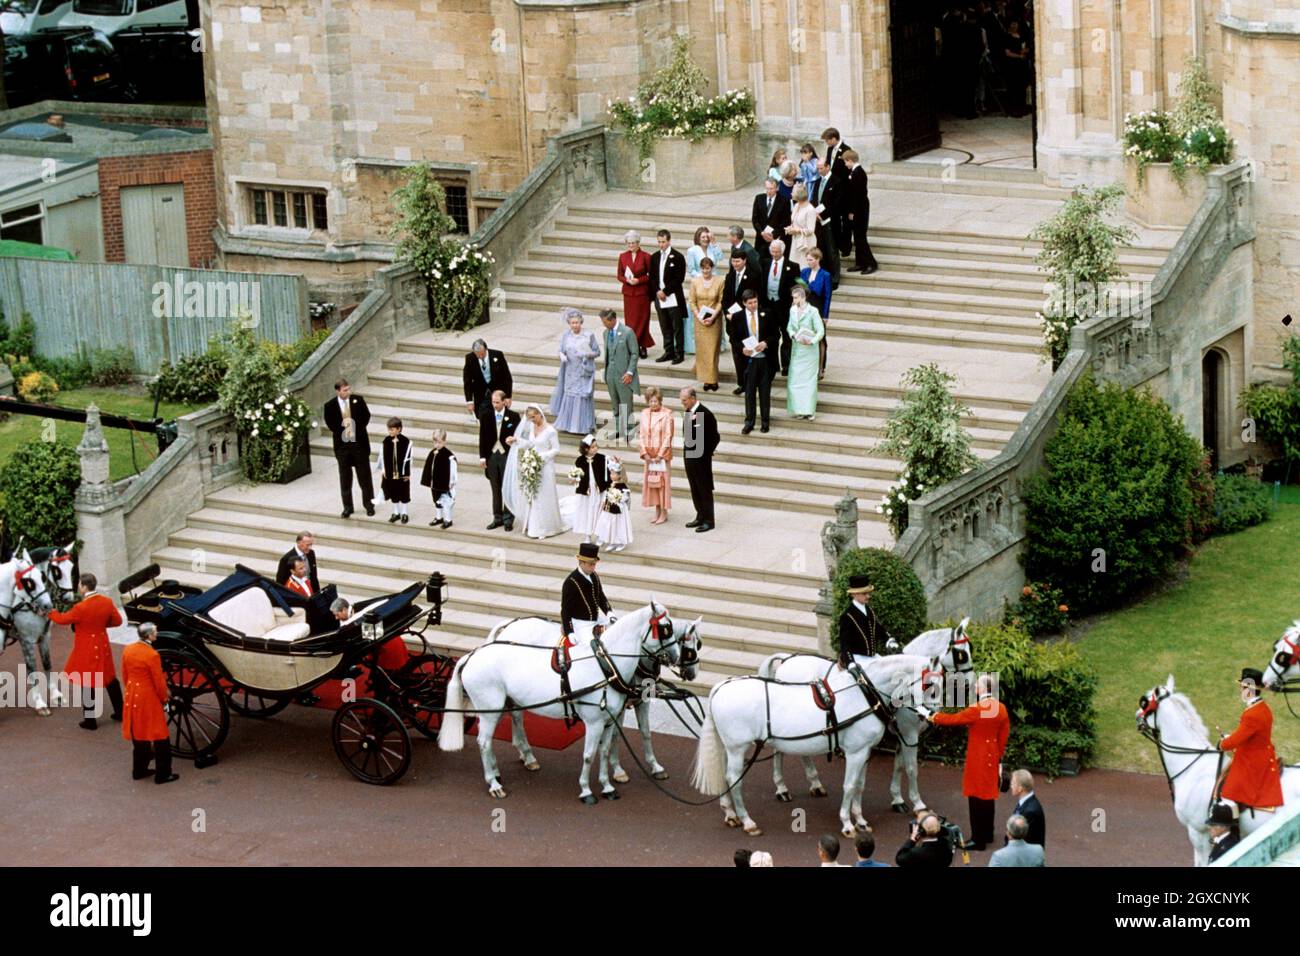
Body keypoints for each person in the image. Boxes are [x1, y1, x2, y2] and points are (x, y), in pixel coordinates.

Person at [928, 673, 1011, 851]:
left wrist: (933, 716)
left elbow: (953, 719)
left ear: (983, 689)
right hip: (992, 757)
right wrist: (998, 756)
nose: (975, 688)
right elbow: (1003, 736)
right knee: (988, 797)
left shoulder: (977, 709)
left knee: (975, 799)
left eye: (977, 685)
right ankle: (988, 833)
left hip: (977, 758)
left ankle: (978, 839)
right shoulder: (1001, 708)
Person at [48, 572, 122, 730]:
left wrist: (50, 612)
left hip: (86, 647)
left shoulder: (81, 607)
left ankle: (90, 721)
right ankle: (120, 711)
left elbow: (62, 619)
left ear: (84, 586)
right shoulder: (107, 602)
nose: (78, 587)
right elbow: (117, 621)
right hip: (102, 644)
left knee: (87, 682)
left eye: (79, 585)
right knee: (110, 678)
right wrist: (100, 625)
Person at [1217, 667, 1285, 822]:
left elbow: (1236, 740)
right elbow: (1246, 735)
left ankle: (1230, 827)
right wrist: (1231, 738)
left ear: (1248, 689)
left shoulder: (1252, 714)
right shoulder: (1263, 708)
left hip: (1253, 759)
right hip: (1261, 752)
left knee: (1229, 791)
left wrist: (1222, 744)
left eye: (1243, 687)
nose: (1241, 690)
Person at [120, 622, 177, 784]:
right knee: (161, 737)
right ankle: (163, 774)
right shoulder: (152, 655)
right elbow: (159, 682)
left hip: (133, 695)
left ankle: (139, 770)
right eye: (155, 632)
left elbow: (125, 675)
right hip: (148, 697)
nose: (156, 634)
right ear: (150, 635)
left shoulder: (128, 649)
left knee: (138, 734)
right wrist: (164, 699)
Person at [502, 403, 567, 539]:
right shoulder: (532, 427)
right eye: (529, 418)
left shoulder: (550, 431)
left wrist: (540, 457)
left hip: (545, 466)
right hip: (532, 464)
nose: (531, 420)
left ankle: (546, 527)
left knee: (544, 494)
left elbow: (556, 449)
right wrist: (517, 440)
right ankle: (533, 525)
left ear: (539, 414)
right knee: (533, 494)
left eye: (533, 417)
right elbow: (531, 443)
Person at [322, 378, 375, 518]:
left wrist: (355, 428)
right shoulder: (330, 406)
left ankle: (369, 504)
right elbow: (331, 423)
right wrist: (344, 429)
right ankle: (347, 507)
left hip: (359, 445)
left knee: (364, 477)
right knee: (345, 479)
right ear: (338, 391)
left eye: (348, 389)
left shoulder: (358, 400)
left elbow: (366, 416)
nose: (348, 392)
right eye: (345, 390)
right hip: (343, 447)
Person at [549, 307, 601, 435]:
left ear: (581, 322)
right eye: (572, 323)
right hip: (570, 370)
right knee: (570, 393)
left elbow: (597, 352)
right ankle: (567, 423)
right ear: (569, 323)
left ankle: (582, 425)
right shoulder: (566, 335)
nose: (575, 325)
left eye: (577, 322)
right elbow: (561, 349)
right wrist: (562, 355)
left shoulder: (589, 335)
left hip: (583, 370)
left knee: (582, 395)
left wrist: (587, 354)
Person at [732, 289, 776, 435]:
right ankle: (749, 422)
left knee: (764, 392)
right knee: (749, 392)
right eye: (750, 303)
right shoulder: (738, 317)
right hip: (749, 361)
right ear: (744, 303)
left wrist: (765, 343)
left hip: (764, 359)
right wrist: (742, 349)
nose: (753, 305)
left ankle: (765, 422)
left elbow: (776, 334)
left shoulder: (767, 314)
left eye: (755, 302)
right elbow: (734, 339)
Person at [479, 389, 521, 531]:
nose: (495, 405)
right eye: (493, 402)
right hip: (492, 456)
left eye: (497, 402)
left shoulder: (513, 417)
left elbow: (518, 436)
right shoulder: (486, 416)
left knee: (507, 487)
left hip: (506, 455)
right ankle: (497, 517)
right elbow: (482, 437)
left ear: (504, 402)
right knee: (495, 488)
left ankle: (508, 518)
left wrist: (513, 442)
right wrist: (483, 457)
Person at [680, 386, 719, 533]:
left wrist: (706, 453)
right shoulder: (689, 412)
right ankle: (700, 515)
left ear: (692, 398)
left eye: (684, 400)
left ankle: (709, 520)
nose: (682, 403)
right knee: (694, 488)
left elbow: (715, 437)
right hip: (690, 456)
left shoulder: (705, 413)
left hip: (701, 459)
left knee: (704, 489)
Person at [600, 308, 640, 446]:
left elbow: (635, 353)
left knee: (626, 403)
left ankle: (629, 429)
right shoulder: (605, 333)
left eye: (605, 322)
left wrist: (630, 372)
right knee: (615, 403)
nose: (603, 324)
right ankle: (619, 428)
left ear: (612, 320)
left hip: (624, 374)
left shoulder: (627, 332)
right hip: (610, 373)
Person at [722, 249, 760, 394]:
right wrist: (726, 313)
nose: (735, 264)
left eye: (738, 261)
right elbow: (725, 298)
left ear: (744, 260)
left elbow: (755, 298)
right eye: (733, 261)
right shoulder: (730, 276)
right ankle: (741, 383)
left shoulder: (753, 276)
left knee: (751, 352)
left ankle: (753, 382)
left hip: (746, 319)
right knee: (737, 353)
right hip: (733, 321)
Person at [761, 239, 801, 375]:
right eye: (772, 251)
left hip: (784, 306)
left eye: (777, 251)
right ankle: (773, 364)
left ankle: (786, 365)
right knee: (771, 335)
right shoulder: (765, 263)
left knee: (786, 335)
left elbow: (797, 286)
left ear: (782, 251)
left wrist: (794, 302)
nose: (775, 254)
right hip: (769, 305)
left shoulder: (793, 266)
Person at [561, 542, 613, 644]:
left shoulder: (594, 575)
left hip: (596, 619)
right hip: (581, 624)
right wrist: (569, 631)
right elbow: (565, 610)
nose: (593, 568)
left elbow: (600, 596)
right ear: (582, 562)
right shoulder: (571, 582)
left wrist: (608, 611)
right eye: (591, 564)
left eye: (594, 564)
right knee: (591, 647)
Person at [786, 284, 825, 420]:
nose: (794, 300)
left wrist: (812, 341)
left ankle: (809, 410)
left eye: (796, 297)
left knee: (808, 381)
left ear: (803, 297)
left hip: (809, 351)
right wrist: (793, 335)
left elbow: (820, 331)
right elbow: (790, 326)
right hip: (797, 349)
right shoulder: (792, 310)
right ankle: (798, 409)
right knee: (795, 380)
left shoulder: (813, 311)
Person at [648, 229, 687, 365]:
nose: (661, 245)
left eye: (663, 242)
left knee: (677, 326)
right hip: (659, 296)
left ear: (669, 241)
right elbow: (652, 277)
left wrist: (666, 291)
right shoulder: (654, 257)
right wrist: (658, 291)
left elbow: (679, 278)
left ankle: (679, 352)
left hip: (673, 297)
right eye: (659, 242)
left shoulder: (677, 257)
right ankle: (668, 351)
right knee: (665, 326)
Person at [684, 226, 724, 358]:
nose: (705, 239)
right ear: (698, 238)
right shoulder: (692, 250)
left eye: (707, 237)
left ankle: (718, 343)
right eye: (703, 237)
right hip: (699, 282)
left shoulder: (713, 247)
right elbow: (691, 269)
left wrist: (715, 243)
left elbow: (721, 258)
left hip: (714, 282)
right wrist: (702, 277)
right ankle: (694, 345)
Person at [688, 255, 725, 391]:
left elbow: (722, 300)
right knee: (703, 351)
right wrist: (698, 316)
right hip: (700, 320)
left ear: (712, 268)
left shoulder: (720, 281)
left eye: (708, 269)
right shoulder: (695, 282)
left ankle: (713, 379)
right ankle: (705, 379)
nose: (705, 272)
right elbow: (692, 301)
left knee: (713, 350)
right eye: (703, 269)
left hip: (714, 319)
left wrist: (714, 315)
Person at [638, 385, 674, 526]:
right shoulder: (644, 413)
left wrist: (660, 454)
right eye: (650, 401)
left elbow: (668, 435)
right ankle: (657, 511)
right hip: (649, 455)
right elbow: (641, 434)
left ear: (660, 401)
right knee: (652, 483)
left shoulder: (667, 414)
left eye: (655, 401)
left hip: (661, 456)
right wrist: (644, 452)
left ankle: (664, 512)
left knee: (662, 483)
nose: (653, 404)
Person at [836, 576, 891, 667]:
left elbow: (877, 628)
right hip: (858, 659)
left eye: (868, 593)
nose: (868, 596)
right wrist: (850, 663)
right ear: (855, 594)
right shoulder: (847, 616)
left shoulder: (868, 610)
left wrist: (889, 639)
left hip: (872, 657)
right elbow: (844, 643)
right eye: (865, 594)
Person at [617, 230, 654, 358]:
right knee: (631, 321)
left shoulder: (646, 256)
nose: (631, 245)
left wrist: (639, 280)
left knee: (643, 319)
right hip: (628, 293)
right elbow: (619, 275)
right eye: (629, 243)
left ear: (638, 243)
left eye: (633, 243)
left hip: (642, 293)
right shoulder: (623, 256)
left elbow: (650, 275)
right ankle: (634, 346)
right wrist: (626, 280)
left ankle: (643, 345)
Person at [842, 150, 878, 275]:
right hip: (858, 209)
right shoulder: (854, 172)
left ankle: (870, 263)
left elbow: (857, 195)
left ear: (850, 160)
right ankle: (860, 263)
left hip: (859, 211)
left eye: (846, 162)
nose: (845, 164)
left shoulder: (858, 173)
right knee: (857, 238)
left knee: (860, 238)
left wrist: (852, 211)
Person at [809, 159, 842, 290]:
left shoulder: (836, 181)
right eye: (818, 168)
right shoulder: (818, 181)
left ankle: (835, 278)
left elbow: (837, 203)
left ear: (828, 167)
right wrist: (814, 212)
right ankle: (824, 275)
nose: (819, 171)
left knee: (832, 249)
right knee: (821, 248)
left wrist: (822, 215)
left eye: (821, 168)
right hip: (818, 221)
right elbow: (815, 200)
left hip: (830, 220)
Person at [571, 435, 609, 543]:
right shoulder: (580, 461)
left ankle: (599, 535)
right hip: (587, 492)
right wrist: (574, 478)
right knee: (587, 513)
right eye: (593, 447)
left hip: (598, 491)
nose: (595, 448)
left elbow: (607, 475)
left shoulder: (602, 459)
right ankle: (587, 534)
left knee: (599, 513)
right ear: (586, 449)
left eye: (596, 446)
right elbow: (577, 474)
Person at [801, 249, 834, 376]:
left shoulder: (825, 275)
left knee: (820, 338)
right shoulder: (804, 272)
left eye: (811, 260)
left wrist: (825, 315)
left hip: (818, 307)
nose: (809, 262)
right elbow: (800, 289)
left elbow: (827, 296)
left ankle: (820, 367)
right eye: (808, 260)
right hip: (806, 307)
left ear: (818, 259)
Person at [462, 339, 513, 418]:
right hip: (481, 395)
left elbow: (507, 377)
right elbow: (467, 381)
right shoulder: (470, 358)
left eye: (482, 354)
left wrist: (508, 396)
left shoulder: (498, 355)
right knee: (483, 420)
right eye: (478, 355)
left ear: (486, 349)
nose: (481, 357)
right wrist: (469, 401)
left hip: (497, 394)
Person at [375, 416, 412, 524]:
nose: (390, 431)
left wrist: (407, 473)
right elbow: (383, 456)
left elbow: (408, 458)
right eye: (389, 429)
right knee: (394, 493)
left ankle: (404, 512)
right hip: (390, 473)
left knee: (404, 493)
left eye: (392, 429)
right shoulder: (386, 441)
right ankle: (396, 512)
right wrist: (384, 470)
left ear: (399, 429)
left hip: (402, 473)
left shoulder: (406, 442)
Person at [420, 428, 458, 529]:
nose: (437, 445)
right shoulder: (432, 452)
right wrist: (428, 479)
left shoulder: (449, 456)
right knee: (436, 499)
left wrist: (452, 481)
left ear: (444, 441)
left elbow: (453, 470)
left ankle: (448, 519)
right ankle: (439, 517)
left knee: (446, 501)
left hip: (444, 483)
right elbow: (429, 466)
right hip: (434, 482)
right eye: (435, 442)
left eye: (440, 442)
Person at [594, 458, 633, 552]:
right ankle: (610, 540)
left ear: (620, 475)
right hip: (608, 507)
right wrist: (604, 501)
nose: (611, 476)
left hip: (618, 509)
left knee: (617, 525)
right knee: (607, 523)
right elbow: (606, 493)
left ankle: (620, 541)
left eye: (613, 474)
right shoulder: (611, 484)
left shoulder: (623, 486)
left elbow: (625, 497)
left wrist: (617, 497)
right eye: (610, 473)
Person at [751, 177, 791, 263]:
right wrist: (761, 232)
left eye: (771, 189)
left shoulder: (784, 201)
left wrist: (773, 235)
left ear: (777, 188)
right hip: (761, 239)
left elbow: (785, 221)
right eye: (767, 188)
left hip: (775, 239)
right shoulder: (759, 199)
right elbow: (755, 219)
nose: (769, 191)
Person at [1008, 768, 1045, 846]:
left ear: (1020, 788)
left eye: (1013, 783)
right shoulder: (1027, 802)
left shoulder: (1029, 811)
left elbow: (1019, 839)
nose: (1011, 785)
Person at [785, 184, 818, 268]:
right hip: (796, 240)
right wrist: (791, 228)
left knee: (804, 265)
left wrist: (797, 230)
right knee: (794, 265)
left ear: (799, 194)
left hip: (807, 242)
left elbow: (811, 230)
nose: (791, 194)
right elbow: (794, 221)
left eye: (793, 192)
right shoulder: (796, 205)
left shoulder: (810, 209)